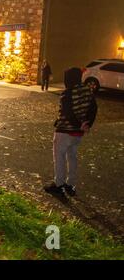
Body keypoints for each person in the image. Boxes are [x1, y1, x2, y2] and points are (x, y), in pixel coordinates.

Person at [44, 67, 97, 197]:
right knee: (72, 157)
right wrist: (87, 124)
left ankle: (58, 184)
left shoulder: (67, 93)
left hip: (64, 131)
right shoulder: (87, 91)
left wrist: (78, 124)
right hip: (78, 134)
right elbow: (94, 109)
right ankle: (71, 184)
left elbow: (67, 113)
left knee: (59, 157)